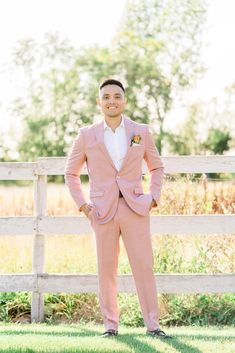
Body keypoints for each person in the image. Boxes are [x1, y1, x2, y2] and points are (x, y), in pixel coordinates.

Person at [65, 78, 171, 338]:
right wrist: (84, 206)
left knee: (144, 266)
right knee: (106, 268)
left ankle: (153, 325)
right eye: (106, 97)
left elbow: (156, 167)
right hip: (102, 211)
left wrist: (153, 197)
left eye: (116, 96)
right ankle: (110, 326)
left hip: (136, 208)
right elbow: (71, 173)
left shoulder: (140, 131)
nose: (112, 101)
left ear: (124, 100)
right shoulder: (86, 135)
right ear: (98, 102)